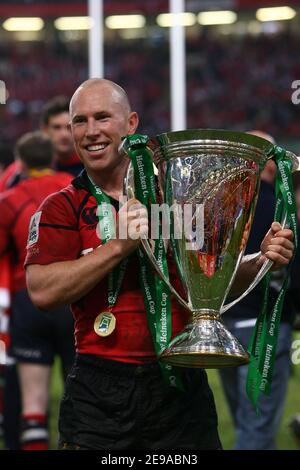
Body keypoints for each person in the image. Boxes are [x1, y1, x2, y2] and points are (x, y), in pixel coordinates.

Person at [25, 79, 294, 450]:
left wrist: (259, 260)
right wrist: (117, 247)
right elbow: (41, 290)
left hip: (179, 387)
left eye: (102, 118)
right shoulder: (61, 207)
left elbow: (209, 283)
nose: (91, 132)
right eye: (80, 121)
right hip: (99, 387)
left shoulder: (177, 200)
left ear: (131, 123)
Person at [219, 130, 298, 450]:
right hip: (265, 326)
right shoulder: (281, 208)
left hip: (224, 328)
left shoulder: (220, 208)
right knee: (256, 431)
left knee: (243, 420)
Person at [0, 131, 74, 450]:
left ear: (22, 163)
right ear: (53, 158)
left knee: (33, 408)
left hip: (28, 298)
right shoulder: (74, 190)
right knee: (84, 397)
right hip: (73, 298)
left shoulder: (9, 201)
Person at [41, 95, 83, 176]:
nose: (64, 135)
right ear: (45, 130)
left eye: (69, 127)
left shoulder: (92, 168)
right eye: (57, 127)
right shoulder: (26, 170)